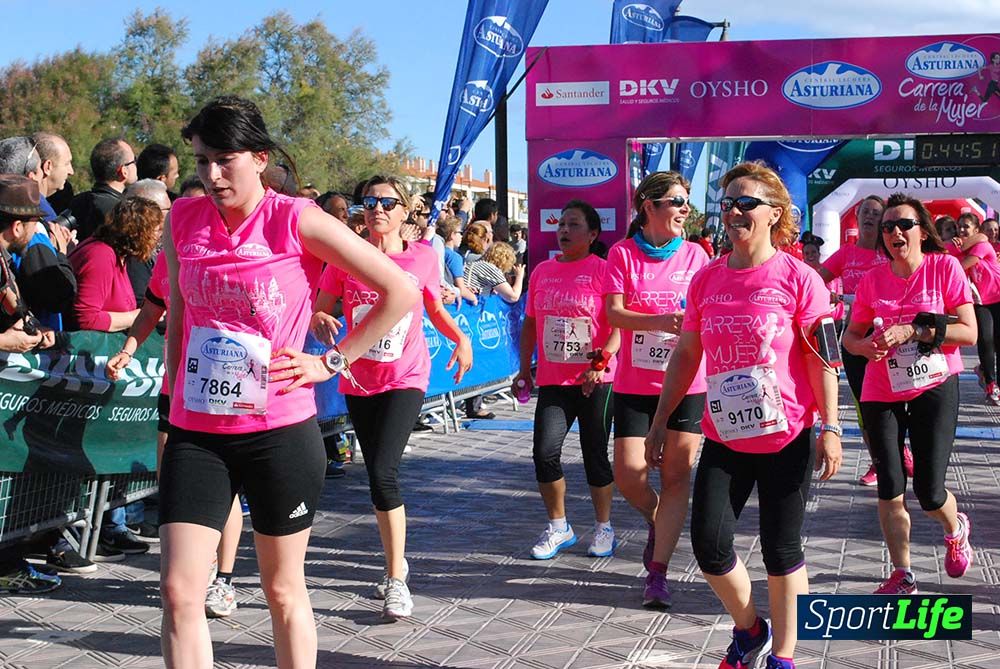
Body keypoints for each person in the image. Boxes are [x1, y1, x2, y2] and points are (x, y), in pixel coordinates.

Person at [158, 96, 419, 667]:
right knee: (180, 591)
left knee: (281, 591)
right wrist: (169, 395)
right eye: (201, 160)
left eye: (225, 159)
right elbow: (178, 308)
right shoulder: (183, 218)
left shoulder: (294, 218)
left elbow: (402, 292)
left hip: (278, 428)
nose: (212, 174)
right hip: (197, 428)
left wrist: (332, 361)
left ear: (259, 157)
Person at [645, 162, 842, 669]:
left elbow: (824, 359)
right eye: (728, 201)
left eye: (746, 203)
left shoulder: (802, 279)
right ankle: (750, 627)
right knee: (709, 546)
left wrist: (832, 426)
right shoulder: (706, 279)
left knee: (781, 551)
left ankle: (783, 656)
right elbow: (686, 356)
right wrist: (661, 418)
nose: (733, 210)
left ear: (774, 213)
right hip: (726, 438)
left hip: (787, 437)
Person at [311, 175, 472, 619]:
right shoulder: (346, 257)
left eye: (387, 202)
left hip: (407, 376)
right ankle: (395, 564)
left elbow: (435, 308)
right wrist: (321, 318)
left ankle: (395, 576)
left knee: (384, 472)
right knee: (375, 471)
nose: (377, 209)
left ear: (404, 212)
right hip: (360, 379)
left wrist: (461, 337)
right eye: (370, 202)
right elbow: (320, 306)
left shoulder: (422, 258)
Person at [843, 193, 976, 596]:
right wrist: (865, 347)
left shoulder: (944, 268)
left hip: (934, 384)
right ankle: (903, 574)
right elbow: (850, 336)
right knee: (889, 484)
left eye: (904, 225)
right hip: (881, 388)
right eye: (887, 227)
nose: (895, 232)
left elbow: (968, 332)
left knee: (930, 492)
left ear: (922, 231)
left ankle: (955, 527)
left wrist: (916, 330)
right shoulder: (872, 279)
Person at [604, 171, 710, 608]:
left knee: (676, 477)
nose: (685, 209)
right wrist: (661, 322)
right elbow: (614, 314)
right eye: (676, 201)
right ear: (649, 206)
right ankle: (658, 519)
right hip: (636, 383)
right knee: (628, 474)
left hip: (688, 383)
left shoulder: (697, 256)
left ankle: (658, 574)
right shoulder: (622, 254)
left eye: (687, 202)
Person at [514, 200, 620, 561]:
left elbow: (619, 326)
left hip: (597, 380)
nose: (564, 230)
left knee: (595, 455)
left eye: (573, 225)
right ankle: (559, 526)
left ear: (592, 234)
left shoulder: (604, 271)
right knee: (544, 452)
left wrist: (600, 363)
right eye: (561, 224)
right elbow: (530, 322)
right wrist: (523, 367)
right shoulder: (541, 271)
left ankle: (604, 527)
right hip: (554, 380)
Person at [818, 195, 912, 487]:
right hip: (856, 339)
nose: (870, 217)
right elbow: (815, 280)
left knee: (900, 401)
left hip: (892, 337)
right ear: (856, 218)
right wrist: (827, 296)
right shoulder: (846, 254)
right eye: (865, 212)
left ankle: (902, 451)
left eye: (876, 213)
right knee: (866, 405)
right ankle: (879, 461)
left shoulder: (891, 253)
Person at [955, 212, 1000, 404]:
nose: (962, 230)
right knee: (985, 339)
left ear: (975, 230)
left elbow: (960, 266)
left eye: (967, 226)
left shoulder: (982, 244)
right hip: (981, 302)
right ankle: (991, 385)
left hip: (998, 297)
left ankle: (985, 373)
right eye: (960, 227)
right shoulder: (960, 248)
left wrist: (956, 248)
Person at [67, 138, 138, 241]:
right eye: (134, 161)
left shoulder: (77, 202)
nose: (136, 165)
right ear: (124, 171)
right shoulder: (121, 212)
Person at [802, 235, 845, 332]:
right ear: (803, 256)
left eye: (813, 252)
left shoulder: (829, 272)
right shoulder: (801, 274)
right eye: (807, 253)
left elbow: (838, 296)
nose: (810, 256)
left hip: (833, 319)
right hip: (812, 320)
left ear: (819, 254)